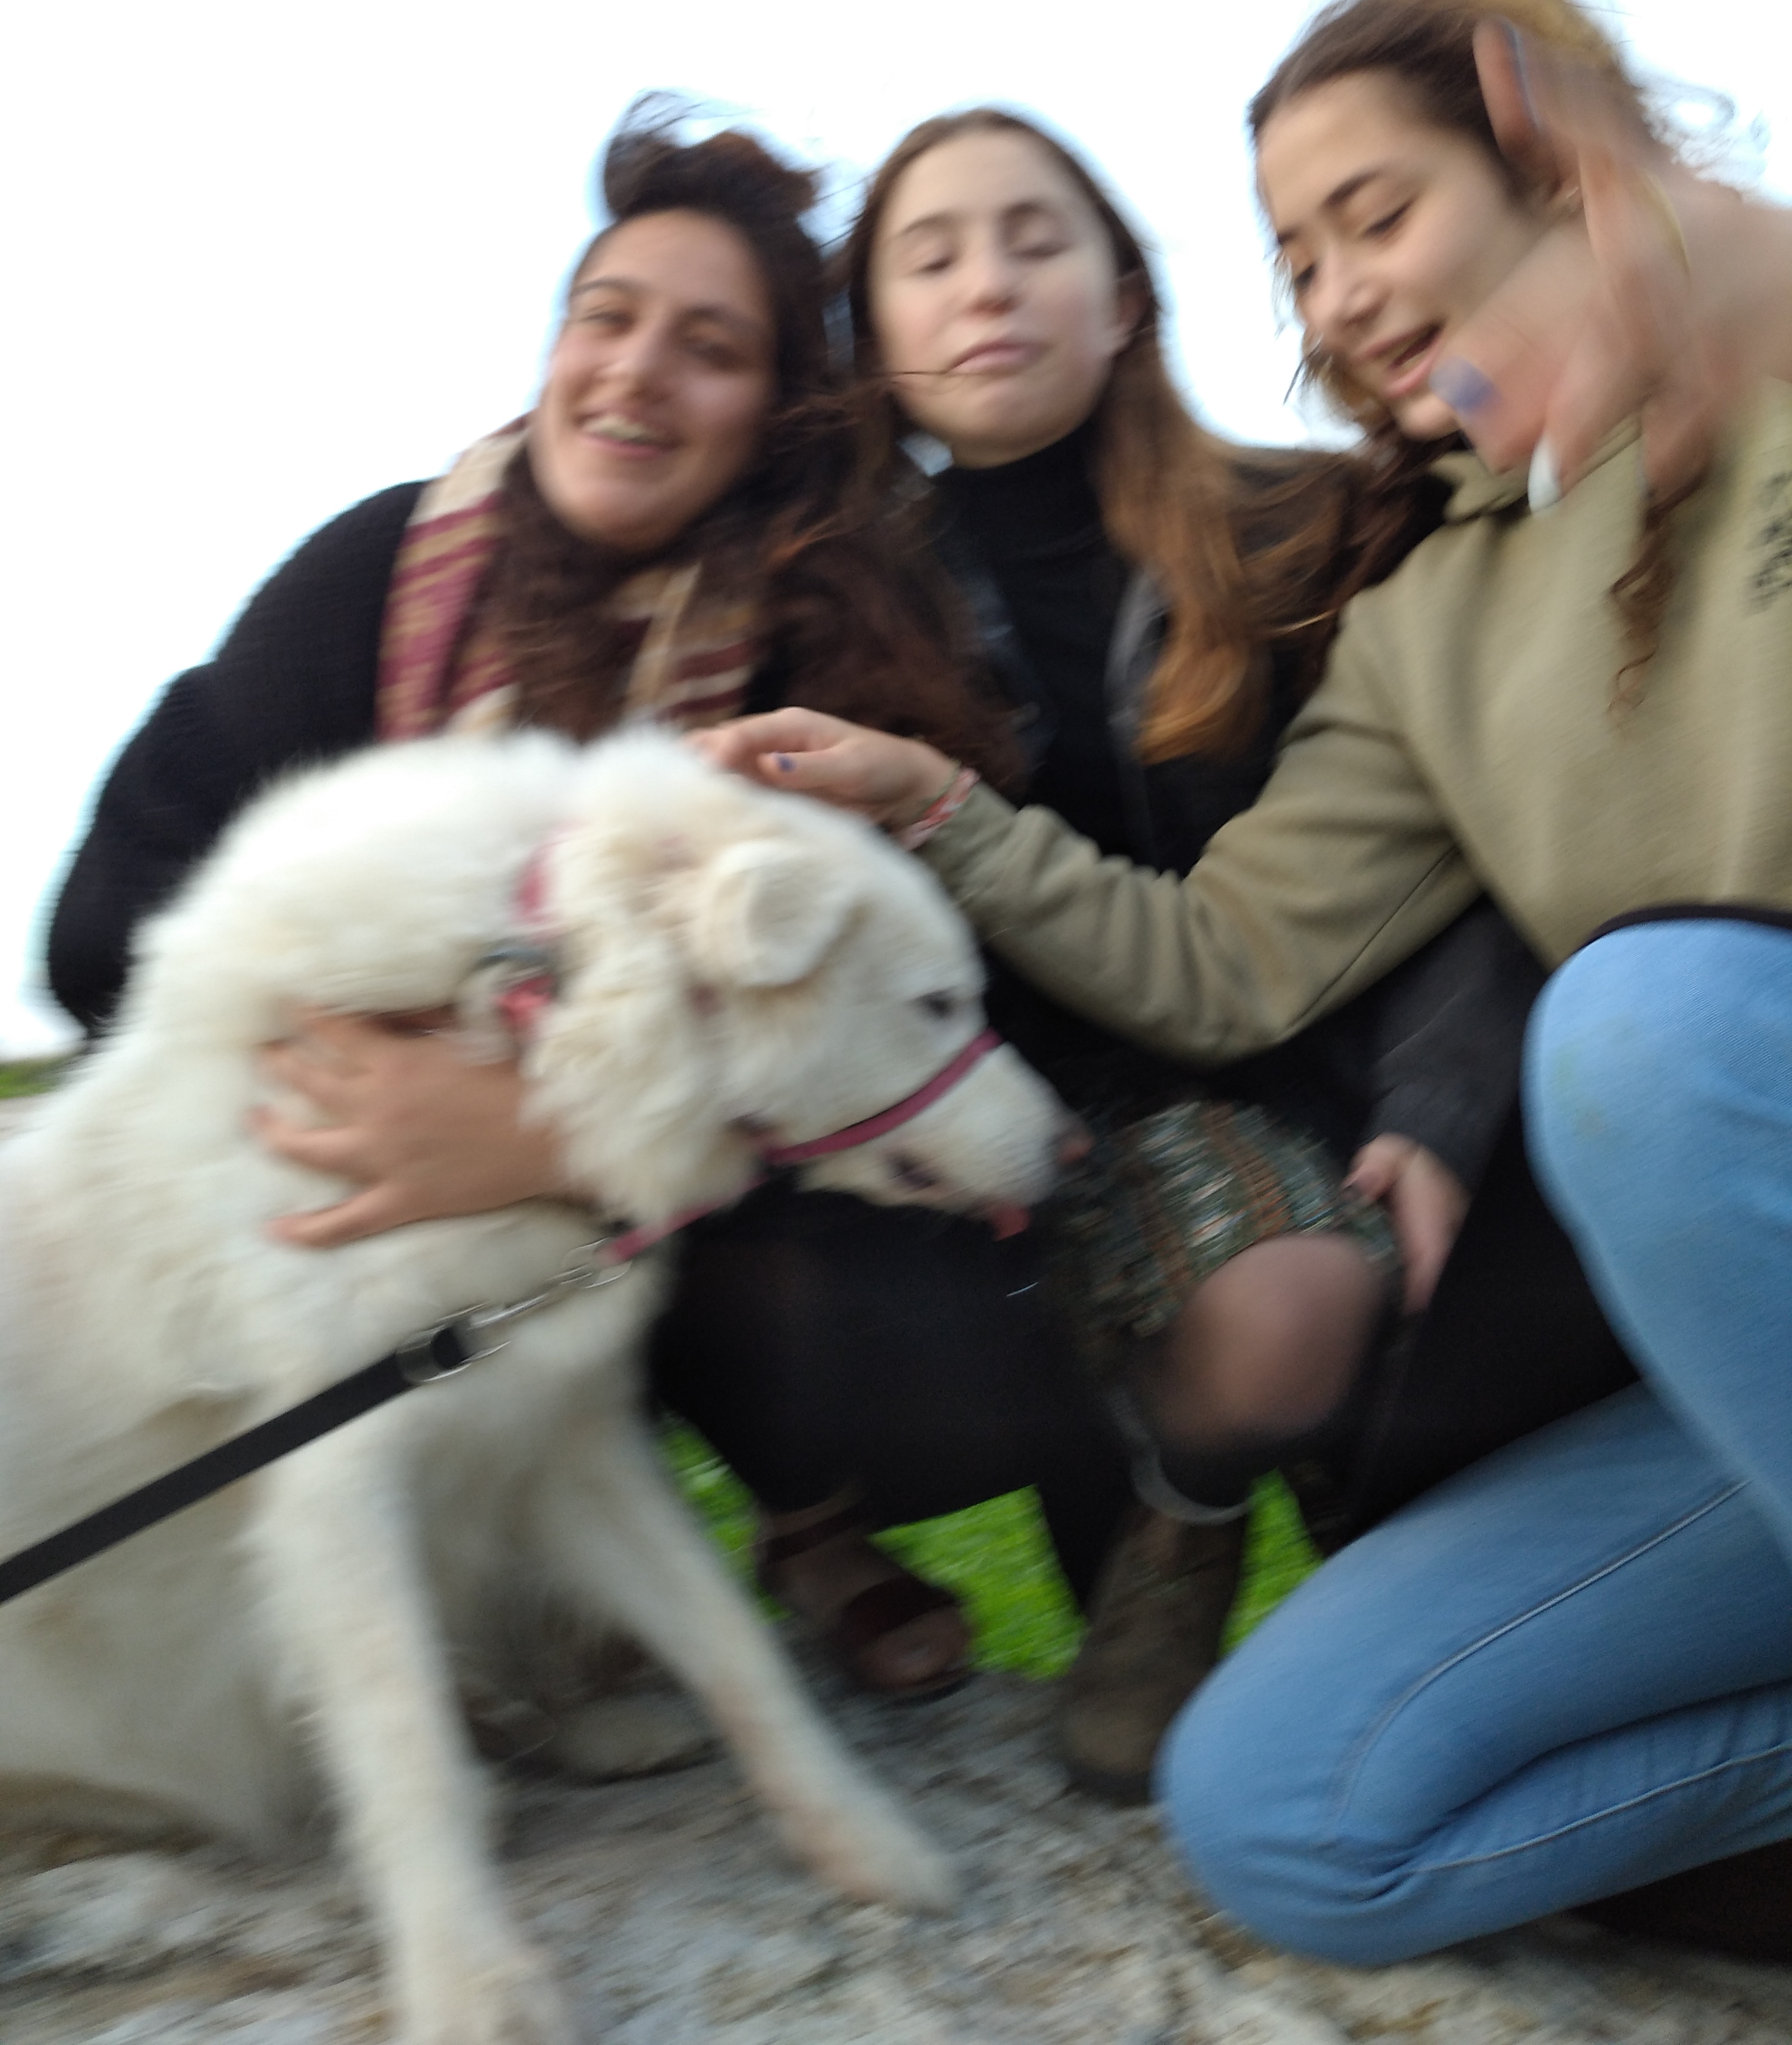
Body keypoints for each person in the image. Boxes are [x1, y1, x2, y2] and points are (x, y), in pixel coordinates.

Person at [696, 0, 1792, 1959]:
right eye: (1301, 260)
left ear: (1551, 155)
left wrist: (1753, 264)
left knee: (1645, 1026)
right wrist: (940, 810)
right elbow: (1221, 961)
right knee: (1284, 1811)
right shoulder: (1428, 616)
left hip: (1692, 1108)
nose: (1343, 295)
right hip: (1736, 1355)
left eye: (1379, 215)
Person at [46, 101, 1130, 1710]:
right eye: (604, 318)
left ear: (776, 414)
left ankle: (789, 1514)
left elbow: (882, 1038)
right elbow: (100, 931)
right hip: (338, 1182)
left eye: (709, 348)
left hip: (693, 1234)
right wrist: (372, 1079)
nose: (635, 372)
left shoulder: (825, 657)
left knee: (793, 1268)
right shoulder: (382, 574)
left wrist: (542, 1130)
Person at [826, 103, 1566, 1799]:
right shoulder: (838, 601)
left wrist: (1441, 1100)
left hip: (1320, 1066)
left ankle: (1333, 1605)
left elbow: (1464, 835)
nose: (987, 285)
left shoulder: (1308, 525)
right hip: (1032, 1122)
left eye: (1036, 240)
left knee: (1401, 1547)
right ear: (875, 342)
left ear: (1123, 300)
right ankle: (1179, 1521)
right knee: (1268, 1319)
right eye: (930, 258)